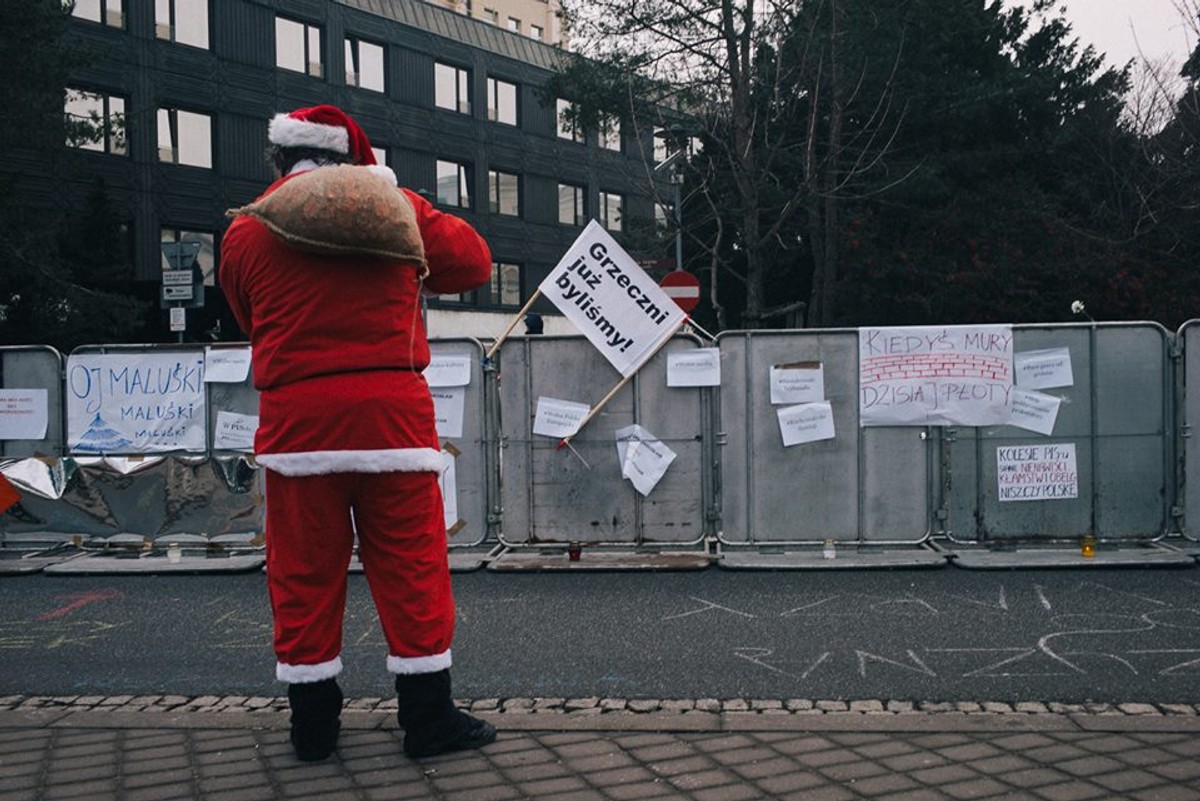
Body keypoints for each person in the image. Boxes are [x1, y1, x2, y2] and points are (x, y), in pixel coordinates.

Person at [219, 105, 496, 762]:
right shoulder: (391, 205)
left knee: (303, 575)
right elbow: (476, 263)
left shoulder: (249, 229)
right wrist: (399, 198)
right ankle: (428, 719)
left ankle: (313, 726)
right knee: (412, 570)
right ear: (352, 158)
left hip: (298, 431)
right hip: (392, 424)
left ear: (282, 161)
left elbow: (247, 317)